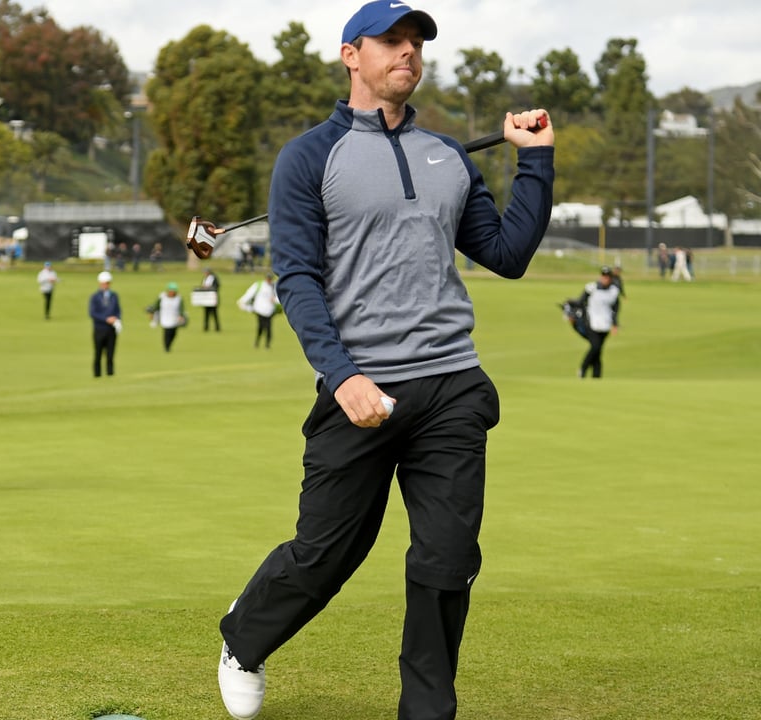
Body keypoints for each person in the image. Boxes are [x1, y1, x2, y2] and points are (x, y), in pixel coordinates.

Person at [215, 3, 555, 720]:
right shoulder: (309, 157)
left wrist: (537, 162)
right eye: (392, 41)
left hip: (452, 382)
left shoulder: (449, 157)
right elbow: (298, 278)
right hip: (360, 387)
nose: (409, 52)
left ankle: (426, 710)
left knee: (447, 560)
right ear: (351, 55)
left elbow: (507, 255)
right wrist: (343, 377)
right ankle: (244, 638)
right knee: (325, 556)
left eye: (417, 43)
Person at [577, 266, 621, 379]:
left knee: (598, 351)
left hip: (605, 325)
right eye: (603, 276)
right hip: (592, 323)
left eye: (607, 277)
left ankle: (596, 376)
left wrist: (615, 324)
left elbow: (615, 309)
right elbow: (580, 302)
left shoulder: (614, 291)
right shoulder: (591, 288)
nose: (605, 278)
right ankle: (583, 368)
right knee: (595, 347)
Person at [88, 271, 121, 377]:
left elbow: (118, 310)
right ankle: (97, 374)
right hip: (99, 329)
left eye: (107, 283)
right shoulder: (95, 297)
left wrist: (116, 319)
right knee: (98, 353)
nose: (105, 285)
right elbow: (93, 313)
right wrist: (106, 319)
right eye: (103, 283)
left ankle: (110, 374)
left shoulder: (114, 296)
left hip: (111, 329)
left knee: (110, 354)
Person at [236, 273, 279, 349]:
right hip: (260, 309)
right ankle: (257, 342)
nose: (269, 280)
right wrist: (242, 301)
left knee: (269, 328)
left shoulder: (274, 286)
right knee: (260, 327)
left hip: (270, 310)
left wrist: (274, 300)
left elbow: (279, 298)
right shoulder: (259, 285)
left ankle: (267, 344)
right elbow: (249, 294)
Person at [147, 281, 187, 352]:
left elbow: (181, 308)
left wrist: (181, 316)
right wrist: (152, 312)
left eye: (173, 291)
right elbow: (156, 306)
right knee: (167, 333)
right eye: (170, 291)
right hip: (165, 317)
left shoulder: (178, 298)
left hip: (175, 318)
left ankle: (169, 345)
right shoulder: (162, 297)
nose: (172, 292)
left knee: (173, 333)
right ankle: (167, 347)